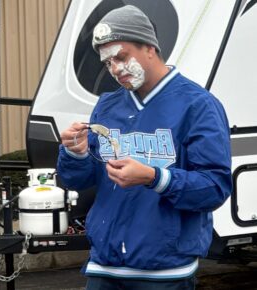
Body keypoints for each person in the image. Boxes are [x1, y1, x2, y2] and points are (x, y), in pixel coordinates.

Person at [57, 5, 232, 290]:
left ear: (150, 47)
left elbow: (214, 188)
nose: (115, 69)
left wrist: (155, 177)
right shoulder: (107, 105)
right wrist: (75, 152)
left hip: (164, 272)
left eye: (121, 57)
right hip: (104, 267)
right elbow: (79, 181)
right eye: (107, 63)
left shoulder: (198, 105)